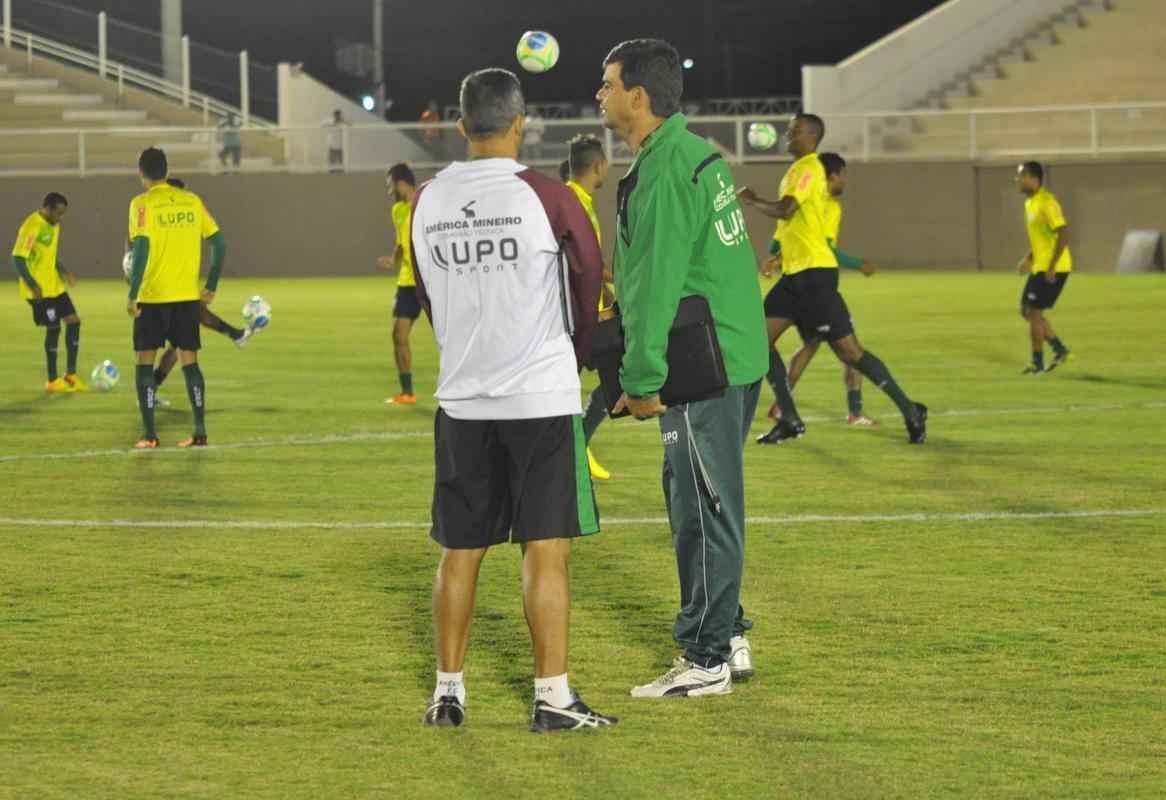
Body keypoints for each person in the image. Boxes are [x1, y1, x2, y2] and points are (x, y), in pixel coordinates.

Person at [411, 67, 614, 732]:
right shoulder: (549, 196)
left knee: (460, 548)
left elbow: (427, 296)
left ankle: (448, 694)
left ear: (462, 125)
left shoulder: (427, 199)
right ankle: (552, 698)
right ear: (521, 122)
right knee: (546, 547)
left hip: (464, 396)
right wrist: (578, 349)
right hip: (539, 394)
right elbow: (587, 279)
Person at [598, 38, 768, 697]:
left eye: (607, 85)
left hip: (704, 366)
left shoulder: (669, 169)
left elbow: (659, 282)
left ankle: (706, 661)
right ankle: (729, 633)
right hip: (733, 354)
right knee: (700, 498)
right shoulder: (693, 154)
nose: (600, 95)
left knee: (703, 508)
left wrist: (640, 382)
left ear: (638, 98)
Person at [739, 114, 927, 445]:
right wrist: (777, 254)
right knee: (757, 340)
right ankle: (790, 418)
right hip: (794, 275)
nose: (787, 134)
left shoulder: (811, 169)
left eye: (794, 131)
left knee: (851, 354)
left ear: (811, 136)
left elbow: (786, 211)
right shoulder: (796, 171)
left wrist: (753, 201)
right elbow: (789, 225)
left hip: (815, 278)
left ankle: (911, 410)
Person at [126, 148, 226, 449]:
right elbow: (219, 244)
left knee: (145, 364)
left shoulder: (141, 204)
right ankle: (199, 431)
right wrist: (211, 284)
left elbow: (140, 248)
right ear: (167, 171)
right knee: (190, 363)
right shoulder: (192, 201)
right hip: (185, 296)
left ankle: (150, 435)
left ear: (141, 173)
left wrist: (133, 293)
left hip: (153, 296)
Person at [772, 152, 879, 426]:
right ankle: (855, 411)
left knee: (810, 345)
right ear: (831, 176)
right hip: (817, 285)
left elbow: (784, 231)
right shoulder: (826, 206)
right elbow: (826, 250)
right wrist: (858, 264)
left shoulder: (816, 202)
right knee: (851, 350)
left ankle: (779, 405)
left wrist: (773, 254)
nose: (845, 180)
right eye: (843, 175)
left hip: (805, 280)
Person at [563, 134, 615, 481]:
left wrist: (610, 295)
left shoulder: (577, 199)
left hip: (589, 314)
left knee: (617, 377)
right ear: (598, 165)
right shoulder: (572, 202)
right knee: (619, 374)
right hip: (580, 319)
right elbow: (579, 261)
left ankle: (577, 445)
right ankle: (575, 447)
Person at [11, 192, 87, 392]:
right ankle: (53, 380)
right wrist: (33, 284)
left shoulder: (54, 225)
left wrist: (65, 272)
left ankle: (71, 375)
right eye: (58, 213)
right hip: (39, 292)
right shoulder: (31, 227)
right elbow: (18, 258)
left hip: (55, 287)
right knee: (54, 328)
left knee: (74, 322)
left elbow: (50, 256)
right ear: (48, 209)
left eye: (63, 214)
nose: (61, 218)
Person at [1015, 161, 1073, 373]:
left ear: (1033, 178)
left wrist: (1052, 266)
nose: (1017, 180)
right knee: (1026, 311)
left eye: (1020, 176)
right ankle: (1059, 349)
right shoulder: (1030, 203)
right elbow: (1042, 238)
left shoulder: (1047, 202)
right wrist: (1029, 258)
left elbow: (1064, 233)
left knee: (1034, 312)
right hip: (1039, 266)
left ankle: (1037, 363)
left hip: (1053, 268)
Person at [376, 162, 421, 405]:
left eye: (390, 184)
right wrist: (393, 261)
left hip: (430, 281)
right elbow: (401, 244)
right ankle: (407, 392)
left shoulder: (425, 203)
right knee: (398, 335)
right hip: (406, 282)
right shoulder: (398, 210)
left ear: (401, 182)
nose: (389, 190)